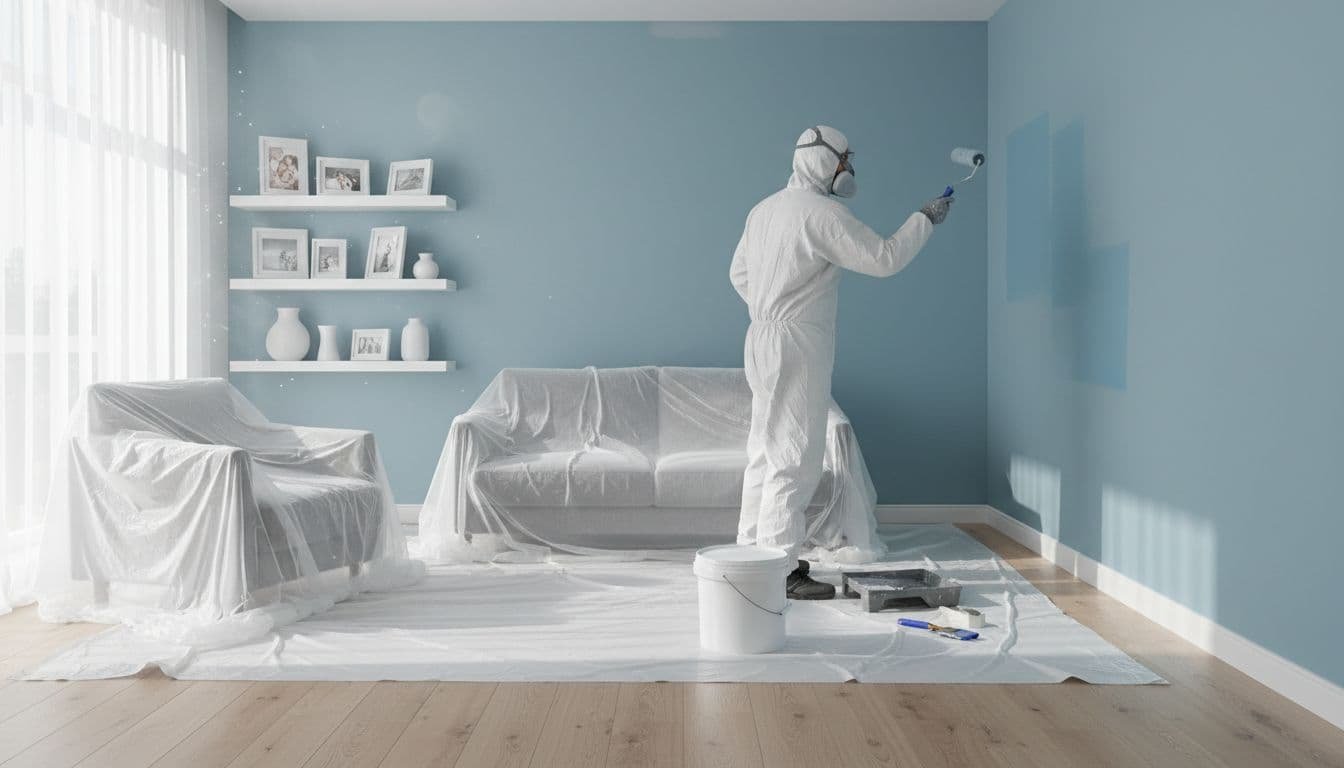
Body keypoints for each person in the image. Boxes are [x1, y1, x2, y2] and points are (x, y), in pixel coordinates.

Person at [730, 126, 953, 600]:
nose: (849, 168)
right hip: (797, 342)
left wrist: (771, 307)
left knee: (762, 449)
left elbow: (738, 274)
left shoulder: (763, 209)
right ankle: (779, 567)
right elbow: (884, 257)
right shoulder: (824, 214)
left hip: (760, 338)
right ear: (824, 162)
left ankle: (749, 554)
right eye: (845, 159)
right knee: (794, 454)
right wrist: (925, 219)